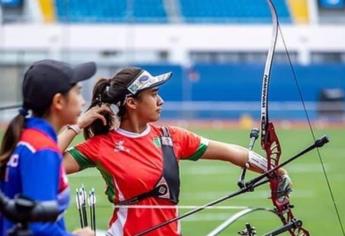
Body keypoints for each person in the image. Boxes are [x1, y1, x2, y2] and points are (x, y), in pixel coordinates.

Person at [60, 67, 291, 236]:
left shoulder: (171, 138)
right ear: (131, 103)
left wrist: (273, 170)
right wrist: (77, 125)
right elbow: (46, 165)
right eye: (153, 94)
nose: (161, 101)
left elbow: (230, 152)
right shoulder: (103, 145)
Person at [0, 59, 100, 235]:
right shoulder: (42, 150)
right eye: (78, 93)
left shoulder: (26, 137)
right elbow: (39, 227)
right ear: (59, 101)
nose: (83, 102)